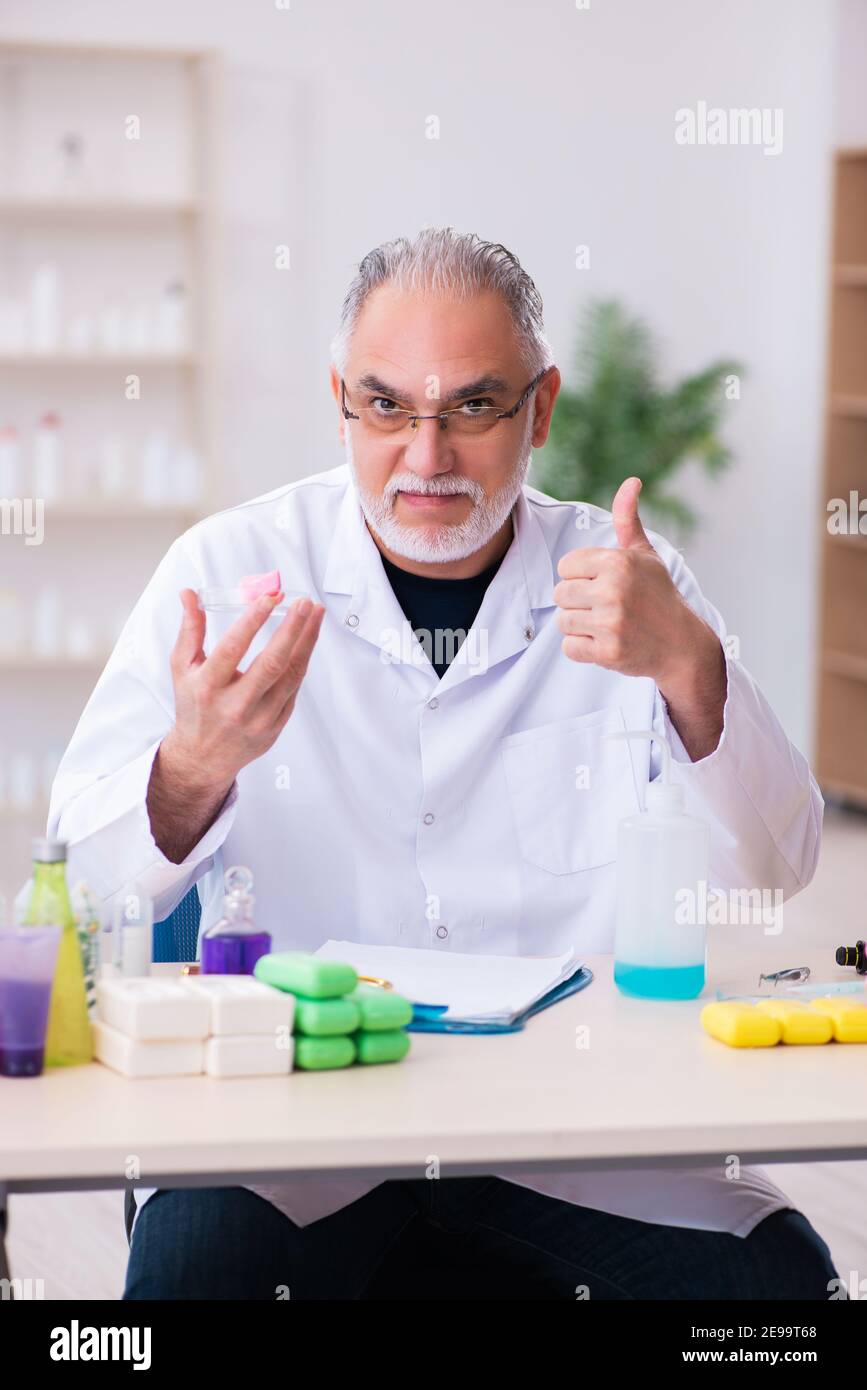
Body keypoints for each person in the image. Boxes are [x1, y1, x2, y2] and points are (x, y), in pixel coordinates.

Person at [50, 228, 837, 1300]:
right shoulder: (227, 572)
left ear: (541, 408)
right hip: (291, 1136)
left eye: (471, 407)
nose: (426, 458)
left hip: (585, 1136)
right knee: (193, 1283)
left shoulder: (633, 586)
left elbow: (779, 862)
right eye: (386, 407)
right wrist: (189, 770)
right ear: (339, 399)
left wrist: (692, 673)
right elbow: (69, 895)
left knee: (779, 1303)